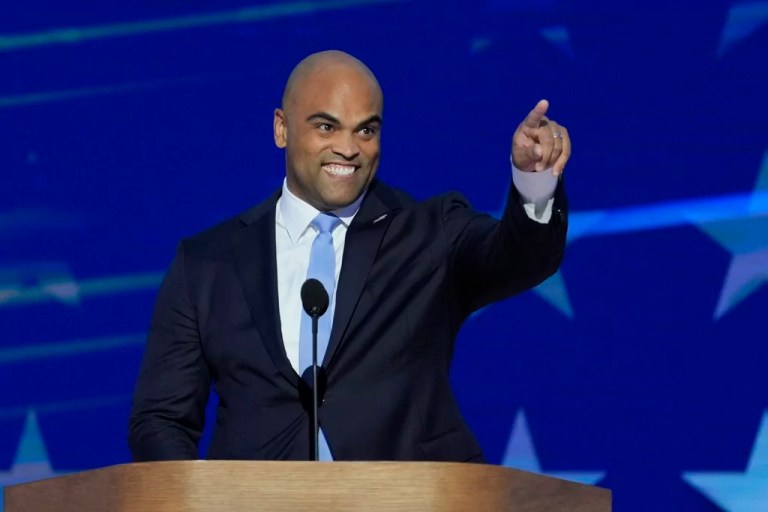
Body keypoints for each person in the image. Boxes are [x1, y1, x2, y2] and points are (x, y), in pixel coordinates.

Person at [129, 50, 570, 463]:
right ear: (282, 128)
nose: (348, 148)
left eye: (366, 130)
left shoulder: (429, 233)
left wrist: (534, 182)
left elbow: (520, 258)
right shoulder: (207, 263)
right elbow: (161, 419)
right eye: (326, 127)